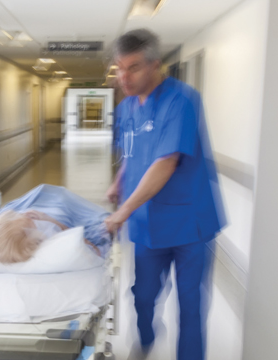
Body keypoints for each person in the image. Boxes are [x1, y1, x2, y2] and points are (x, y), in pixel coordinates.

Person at [104, 29, 225, 360]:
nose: (123, 77)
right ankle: (145, 339)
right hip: (147, 224)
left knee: (190, 306)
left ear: (156, 65)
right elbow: (132, 155)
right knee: (142, 296)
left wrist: (122, 210)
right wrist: (118, 181)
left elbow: (166, 161)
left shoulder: (183, 100)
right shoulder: (127, 108)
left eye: (133, 67)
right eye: (119, 68)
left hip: (190, 224)